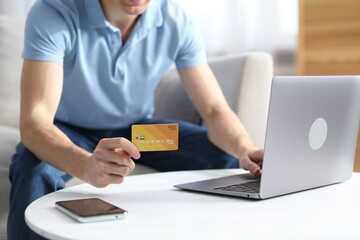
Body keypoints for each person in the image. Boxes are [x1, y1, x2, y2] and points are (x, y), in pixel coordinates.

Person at [8, 0, 263, 239]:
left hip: (138, 132)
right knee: (33, 170)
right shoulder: (54, 12)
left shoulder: (175, 19)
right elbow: (35, 121)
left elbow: (214, 110)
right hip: (68, 130)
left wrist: (245, 148)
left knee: (229, 160)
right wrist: (84, 166)